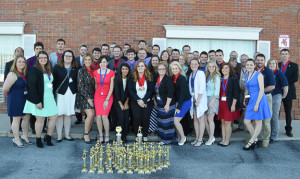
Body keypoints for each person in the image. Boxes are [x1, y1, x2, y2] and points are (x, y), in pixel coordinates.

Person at [23, 51, 58, 148]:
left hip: (49, 97)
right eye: (41, 58)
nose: (43, 59)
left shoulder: (48, 69)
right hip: (39, 98)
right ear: (38, 59)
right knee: (40, 118)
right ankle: (38, 139)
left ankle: (48, 136)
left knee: (54, 116)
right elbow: (32, 87)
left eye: (45, 58)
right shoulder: (34, 70)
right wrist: (38, 101)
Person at [243, 59, 271, 150]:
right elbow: (247, 89)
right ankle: (254, 139)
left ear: (254, 65)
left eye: (251, 65)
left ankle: (251, 142)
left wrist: (257, 104)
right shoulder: (246, 75)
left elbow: (262, 90)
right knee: (246, 121)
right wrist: (245, 98)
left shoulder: (258, 75)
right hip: (251, 99)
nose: (249, 66)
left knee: (258, 121)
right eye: (247, 64)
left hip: (259, 99)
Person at [3, 56, 31, 147]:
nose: (22, 63)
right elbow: (5, 89)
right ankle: (16, 139)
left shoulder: (24, 73)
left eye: (23, 62)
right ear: (15, 63)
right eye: (19, 62)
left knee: (26, 117)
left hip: (24, 98)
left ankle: (25, 136)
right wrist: (12, 95)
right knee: (16, 119)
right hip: (15, 99)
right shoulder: (12, 74)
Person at [52, 50, 79, 142]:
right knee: (59, 114)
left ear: (72, 58)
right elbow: (53, 81)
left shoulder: (76, 67)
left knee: (68, 114)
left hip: (72, 93)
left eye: (70, 56)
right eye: (66, 56)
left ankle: (67, 135)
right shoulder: (56, 67)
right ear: (63, 57)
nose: (68, 58)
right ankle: (59, 135)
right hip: (60, 93)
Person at [128, 60, 154, 142]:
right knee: (137, 118)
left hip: (147, 101)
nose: (140, 68)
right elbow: (131, 90)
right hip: (135, 101)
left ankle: (145, 134)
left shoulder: (149, 76)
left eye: (142, 66)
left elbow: (150, 90)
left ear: (145, 67)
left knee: (146, 118)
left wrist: (144, 100)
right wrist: (139, 100)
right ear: (136, 68)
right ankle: (137, 134)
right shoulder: (132, 77)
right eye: (138, 66)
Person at [255, 53, 275, 148]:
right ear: (255, 60)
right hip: (254, 98)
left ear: (264, 61)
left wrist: (261, 92)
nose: (259, 62)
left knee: (266, 119)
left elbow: (272, 86)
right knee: (256, 118)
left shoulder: (268, 71)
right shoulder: (253, 70)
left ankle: (266, 139)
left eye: (261, 60)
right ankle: (255, 138)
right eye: (258, 60)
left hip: (266, 97)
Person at [217, 63, 240, 146]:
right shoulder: (220, 79)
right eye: (223, 68)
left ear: (230, 69)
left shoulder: (233, 79)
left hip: (229, 103)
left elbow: (236, 93)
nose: (224, 70)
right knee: (222, 122)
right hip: (221, 103)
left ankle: (227, 140)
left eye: (226, 68)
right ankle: (223, 139)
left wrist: (233, 105)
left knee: (227, 122)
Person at [94, 56, 115, 143]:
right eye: (101, 62)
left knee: (104, 116)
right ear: (99, 64)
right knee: (98, 116)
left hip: (108, 97)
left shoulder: (111, 73)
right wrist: (98, 94)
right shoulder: (95, 72)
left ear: (107, 63)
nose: (103, 64)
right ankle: (100, 135)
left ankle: (107, 134)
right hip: (98, 96)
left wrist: (106, 99)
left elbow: (111, 87)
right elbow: (96, 84)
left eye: (104, 62)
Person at [169, 61, 191, 145]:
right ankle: (178, 137)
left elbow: (182, 94)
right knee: (174, 120)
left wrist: (178, 107)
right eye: (173, 68)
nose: (174, 70)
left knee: (176, 120)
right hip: (178, 102)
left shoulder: (182, 78)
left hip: (185, 101)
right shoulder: (173, 77)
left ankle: (183, 137)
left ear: (179, 68)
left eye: (176, 68)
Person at [75, 53, 95, 144]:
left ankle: (88, 129)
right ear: (83, 61)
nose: (87, 61)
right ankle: (86, 133)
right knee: (90, 115)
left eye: (89, 60)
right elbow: (80, 86)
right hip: (83, 96)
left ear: (91, 61)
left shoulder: (93, 70)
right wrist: (88, 98)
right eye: (85, 60)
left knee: (93, 114)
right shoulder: (81, 71)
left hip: (92, 95)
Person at [278, 49, 299, 137]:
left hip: (289, 92)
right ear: (280, 55)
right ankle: (275, 129)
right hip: (278, 91)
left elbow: (295, 78)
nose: (284, 56)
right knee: (276, 112)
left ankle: (288, 129)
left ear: (289, 55)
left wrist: (284, 83)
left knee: (288, 111)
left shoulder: (294, 65)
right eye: (282, 54)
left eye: (286, 54)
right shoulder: (277, 65)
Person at [267, 59, 288, 143]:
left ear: (276, 65)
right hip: (267, 96)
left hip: (276, 96)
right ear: (268, 65)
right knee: (268, 117)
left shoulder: (279, 73)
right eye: (270, 64)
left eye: (273, 64)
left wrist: (283, 96)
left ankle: (274, 136)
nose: (272, 65)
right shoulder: (267, 73)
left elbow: (285, 86)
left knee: (275, 117)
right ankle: (267, 135)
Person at [154, 62, 176, 144]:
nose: (161, 70)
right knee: (161, 122)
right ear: (157, 70)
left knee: (167, 123)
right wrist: (155, 101)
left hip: (167, 104)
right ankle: (161, 138)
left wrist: (167, 105)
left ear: (166, 70)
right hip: (159, 104)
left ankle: (167, 140)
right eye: (159, 69)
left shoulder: (168, 79)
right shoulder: (157, 78)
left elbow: (170, 93)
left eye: (163, 69)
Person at [4, 47, 24, 132]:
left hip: (22, 93)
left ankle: (20, 128)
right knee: (14, 114)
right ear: (14, 53)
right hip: (13, 92)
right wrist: (9, 91)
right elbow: (6, 80)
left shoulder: (24, 66)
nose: (20, 52)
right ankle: (14, 129)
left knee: (21, 114)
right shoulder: (9, 64)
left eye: (21, 51)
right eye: (18, 51)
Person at [189, 59, 207, 147]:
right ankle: (197, 138)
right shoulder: (191, 74)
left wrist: (198, 100)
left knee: (200, 118)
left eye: (195, 64)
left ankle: (200, 139)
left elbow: (202, 87)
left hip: (199, 99)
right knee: (195, 119)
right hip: (193, 99)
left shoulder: (200, 73)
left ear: (198, 64)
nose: (193, 65)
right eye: (192, 64)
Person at [113, 63, 131, 143]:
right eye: (123, 69)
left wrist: (126, 103)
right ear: (120, 70)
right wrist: (121, 104)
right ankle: (118, 135)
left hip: (126, 101)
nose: (125, 71)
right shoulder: (117, 78)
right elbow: (116, 93)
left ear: (128, 70)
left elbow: (129, 92)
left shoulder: (130, 78)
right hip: (117, 101)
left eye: (126, 69)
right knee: (121, 117)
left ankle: (124, 135)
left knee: (126, 118)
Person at [204, 62, 221, 145]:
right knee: (205, 119)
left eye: (212, 66)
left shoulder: (217, 77)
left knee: (210, 119)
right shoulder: (208, 76)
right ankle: (211, 136)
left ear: (215, 67)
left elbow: (217, 91)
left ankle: (211, 137)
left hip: (213, 99)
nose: (211, 68)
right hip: (206, 98)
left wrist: (212, 102)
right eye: (209, 66)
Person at [233, 54, 249, 133]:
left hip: (248, 92)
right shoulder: (238, 68)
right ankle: (240, 125)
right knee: (239, 108)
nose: (244, 61)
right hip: (239, 91)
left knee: (247, 108)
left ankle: (248, 127)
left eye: (245, 59)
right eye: (242, 59)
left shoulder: (251, 68)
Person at [148, 55, 160, 135]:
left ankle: (160, 129)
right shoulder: (148, 72)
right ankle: (153, 130)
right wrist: (154, 99)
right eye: (153, 60)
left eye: (156, 60)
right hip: (152, 95)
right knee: (153, 113)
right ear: (151, 62)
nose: (155, 62)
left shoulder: (161, 71)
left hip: (161, 95)